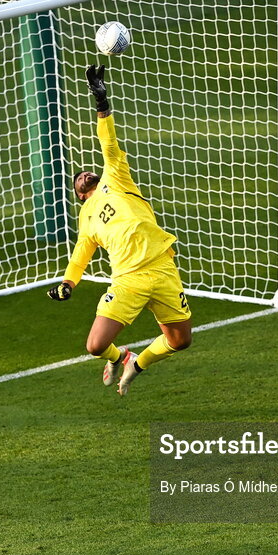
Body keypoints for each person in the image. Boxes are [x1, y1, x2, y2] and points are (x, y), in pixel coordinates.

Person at [46, 65, 192, 397]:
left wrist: (101, 100)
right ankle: (119, 356)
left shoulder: (116, 176)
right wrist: (68, 283)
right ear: (80, 196)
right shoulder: (86, 218)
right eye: (77, 180)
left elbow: (107, 142)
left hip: (162, 268)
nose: (82, 174)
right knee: (96, 345)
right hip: (127, 279)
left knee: (180, 341)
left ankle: (137, 363)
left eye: (85, 172)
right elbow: (81, 253)